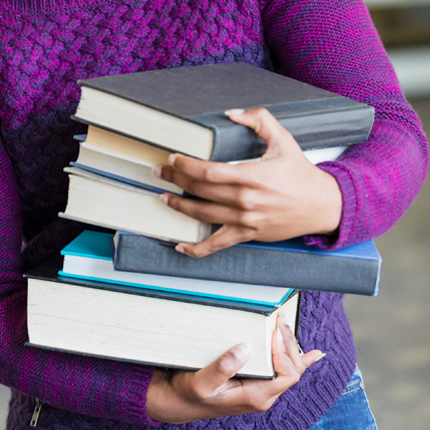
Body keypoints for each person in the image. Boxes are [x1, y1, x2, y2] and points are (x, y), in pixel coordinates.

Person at [0, 0, 428, 428]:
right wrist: (147, 395)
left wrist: (328, 198)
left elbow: (393, 129)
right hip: (88, 404)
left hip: (310, 401)